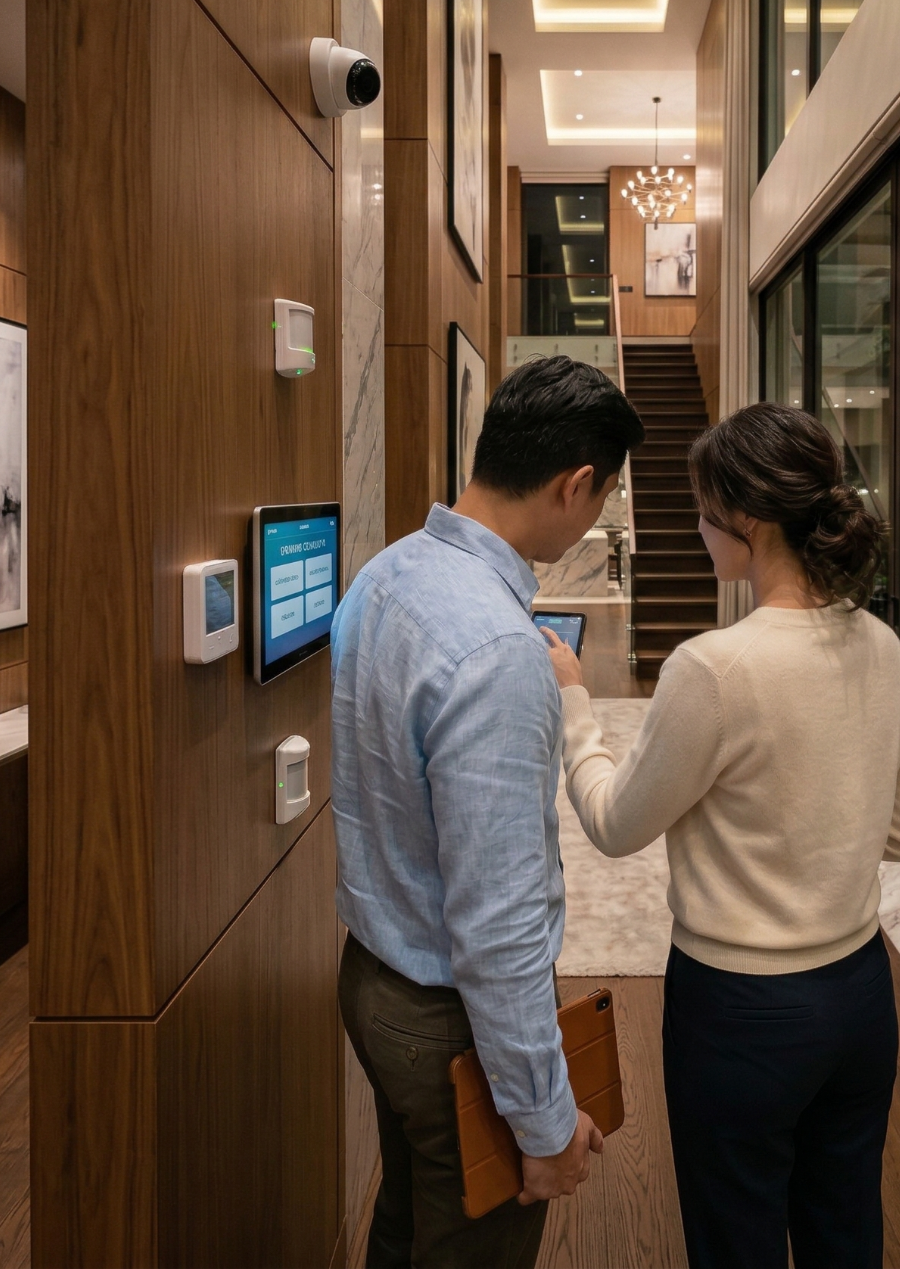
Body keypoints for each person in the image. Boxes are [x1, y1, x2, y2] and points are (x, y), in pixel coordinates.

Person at [546, 402, 900, 1269]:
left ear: (746, 520)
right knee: (846, 1231)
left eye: (702, 506)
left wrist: (574, 701)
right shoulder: (882, 646)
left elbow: (613, 825)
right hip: (862, 997)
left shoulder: (714, 668)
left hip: (742, 1013)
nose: (696, 526)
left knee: (737, 1240)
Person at [331, 353, 646, 1269]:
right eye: (602, 497)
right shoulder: (500, 652)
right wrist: (546, 1126)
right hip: (448, 1019)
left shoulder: (385, 575)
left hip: (373, 977)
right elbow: (498, 927)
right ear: (575, 484)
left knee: (407, 1223)